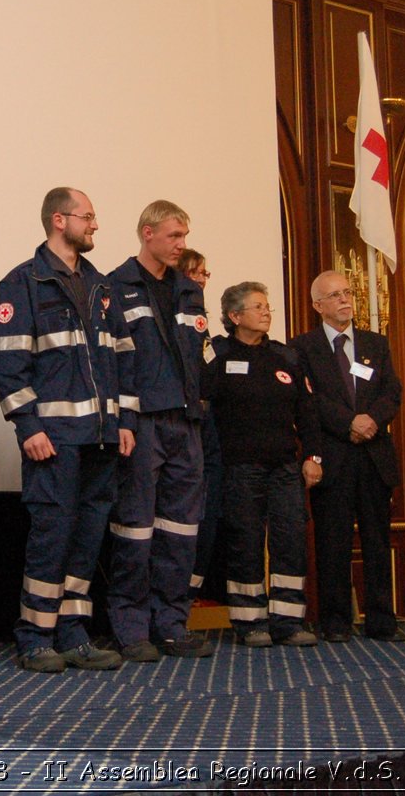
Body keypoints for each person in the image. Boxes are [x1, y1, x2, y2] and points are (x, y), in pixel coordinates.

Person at [0, 188, 134, 673]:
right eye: (87, 217)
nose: (95, 226)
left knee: (87, 538)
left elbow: (124, 360)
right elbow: (8, 365)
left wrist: (125, 421)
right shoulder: (22, 283)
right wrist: (27, 426)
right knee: (51, 537)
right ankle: (35, 636)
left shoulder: (101, 286)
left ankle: (74, 634)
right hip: (53, 439)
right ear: (59, 220)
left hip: (100, 439)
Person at [106, 200, 212, 661]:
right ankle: (131, 628)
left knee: (181, 531)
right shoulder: (115, 286)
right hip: (143, 422)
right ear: (147, 233)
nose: (181, 245)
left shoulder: (191, 291)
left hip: (185, 423)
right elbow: (114, 364)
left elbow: (198, 357)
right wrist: (123, 421)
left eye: (184, 236)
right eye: (174, 236)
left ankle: (171, 623)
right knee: (135, 530)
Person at [204, 281, 322, 648]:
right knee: (245, 541)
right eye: (257, 306)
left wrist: (313, 456)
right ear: (235, 316)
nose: (266, 312)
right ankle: (249, 622)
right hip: (239, 467)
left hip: (285, 467)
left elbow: (307, 412)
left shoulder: (285, 356)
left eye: (267, 305)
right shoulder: (218, 354)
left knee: (290, 539)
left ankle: (288, 621)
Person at [292, 269, 403, 642]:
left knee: (377, 541)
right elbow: (308, 401)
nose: (344, 300)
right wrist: (349, 422)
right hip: (333, 456)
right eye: (335, 295)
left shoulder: (376, 344)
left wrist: (371, 419)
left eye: (347, 293)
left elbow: (392, 391)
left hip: (373, 455)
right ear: (317, 306)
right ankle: (336, 621)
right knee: (333, 541)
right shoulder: (303, 348)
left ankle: (382, 621)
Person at [177, 248, 220, 599]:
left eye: (205, 274)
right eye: (196, 273)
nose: (202, 280)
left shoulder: (204, 324)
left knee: (208, 510)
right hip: (178, 424)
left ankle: (190, 591)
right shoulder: (174, 316)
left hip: (207, 426)